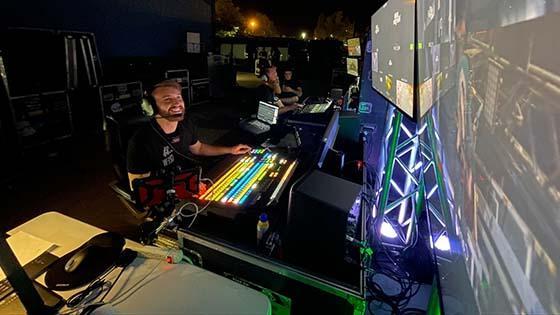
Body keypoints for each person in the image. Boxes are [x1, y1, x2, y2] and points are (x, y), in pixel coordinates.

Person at [127, 80, 251, 189]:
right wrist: (184, 187)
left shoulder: (186, 123)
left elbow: (199, 148)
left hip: (189, 179)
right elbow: (138, 187)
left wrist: (230, 150)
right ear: (151, 107)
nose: (177, 104)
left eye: (178, 98)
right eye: (167, 99)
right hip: (168, 192)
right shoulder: (141, 140)